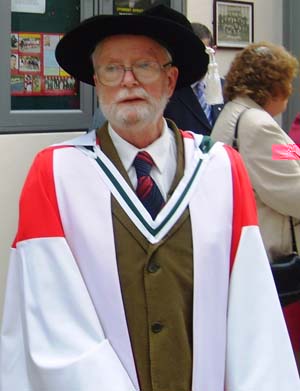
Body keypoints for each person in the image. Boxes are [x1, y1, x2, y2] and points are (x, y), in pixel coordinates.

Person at [1, 7, 299, 391]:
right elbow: (52, 318)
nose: (128, 81)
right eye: (112, 69)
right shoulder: (55, 174)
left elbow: (252, 313)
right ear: (96, 81)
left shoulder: (221, 170)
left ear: (170, 79)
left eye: (144, 66)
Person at [211, 41, 300, 371]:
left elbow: (290, 158)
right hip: (267, 247)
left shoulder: (237, 114)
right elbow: (291, 190)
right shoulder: (259, 126)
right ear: (274, 86)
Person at [164, 22, 224, 135]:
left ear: (213, 51)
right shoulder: (170, 92)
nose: (199, 60)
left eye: (204, 53)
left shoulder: (225, 89)